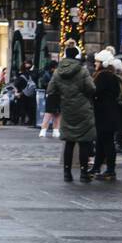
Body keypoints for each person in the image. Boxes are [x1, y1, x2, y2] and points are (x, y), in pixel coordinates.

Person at [47, 41, 96, 183]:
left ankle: (67, 173)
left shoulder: (57, 72)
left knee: (69, 142)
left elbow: (51, 90)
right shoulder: (82, 70)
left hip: (67, 108)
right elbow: (91, 88)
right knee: (84, 142)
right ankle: (83, 172)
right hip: (82, 108)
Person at [91, 50, 122, 181]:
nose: (95, 64)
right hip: (108, 113)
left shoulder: (104, 76)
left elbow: (95, 91)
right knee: (101, 141)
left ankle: (110, 170)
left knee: (107, 142)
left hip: (105, 114)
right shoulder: (110, 75)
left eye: (97, 62)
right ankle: (97, 167)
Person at [37, 60, 60, 138]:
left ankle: (49, 130)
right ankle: (49, 130)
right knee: (52, 114)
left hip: (52, 95)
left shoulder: (49, 74)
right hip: (54, 95)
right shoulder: (53, 75)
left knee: (52, 113)